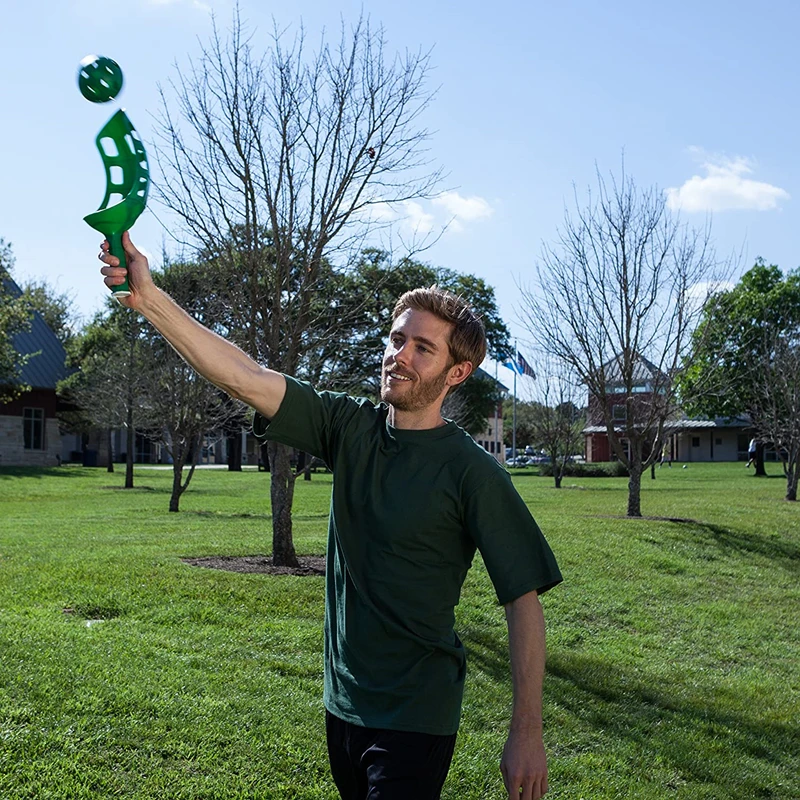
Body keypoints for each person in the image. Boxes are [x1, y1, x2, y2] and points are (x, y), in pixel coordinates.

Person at [99, 233, 562, 800]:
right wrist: (149, 298)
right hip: (341, 706)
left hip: (415, 716)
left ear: (457, 373)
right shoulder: (350, 428)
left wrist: (527, 731)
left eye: (423, 348)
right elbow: (242, 376)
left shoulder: (473, 473)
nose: (401, 357)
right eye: (397, 340)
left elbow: (524, 601)